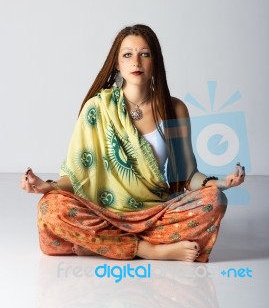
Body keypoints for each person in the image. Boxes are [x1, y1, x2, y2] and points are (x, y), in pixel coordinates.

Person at [21, 24, 245, 262]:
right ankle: (146, 249)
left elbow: (186, 176)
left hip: (153, 211)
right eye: (127, 55)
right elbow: (79, 177)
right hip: (103, 212)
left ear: (155, 61)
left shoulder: (174, 109)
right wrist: (47, 186)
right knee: (51, 208)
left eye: (144, 54)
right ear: (117, 63)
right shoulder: (98, 108)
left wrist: (220, 183)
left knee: (214, 201)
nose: (136, 62)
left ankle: (102, 243)